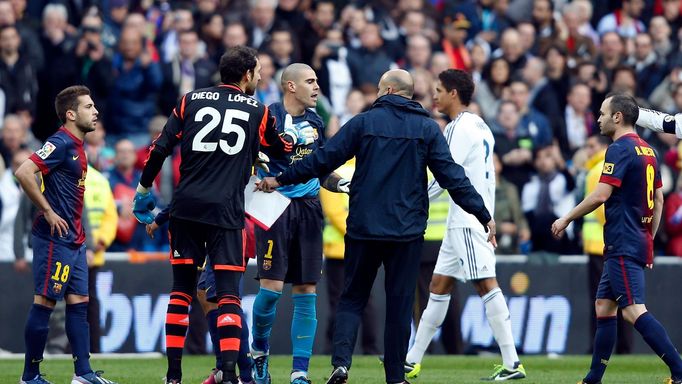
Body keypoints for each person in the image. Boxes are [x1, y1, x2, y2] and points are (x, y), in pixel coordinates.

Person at [257, 69, 496, 384]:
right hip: (407, 233)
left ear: (386, 91)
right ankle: (395, 377)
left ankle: (341, 364)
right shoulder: (427, 128)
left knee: (352, 298)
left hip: (363, 228)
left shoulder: (363, 123)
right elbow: (453, 177)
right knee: (398, 305)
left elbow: (322, 160)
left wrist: (280, 178)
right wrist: (483, 214)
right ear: (409, 95)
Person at [131, 46, 294, 384]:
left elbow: (160, 147)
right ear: (247, 75)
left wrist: (144, 189)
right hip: (226, 214)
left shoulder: (188, 100)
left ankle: (173, 376)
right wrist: (287, 140)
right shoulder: (258, 110)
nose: (261, 76)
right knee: (230, 296)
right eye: (259, 71)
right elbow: (282, 150)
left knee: (181, 292)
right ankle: (231, 376)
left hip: (186, 209)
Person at [551, 93, 682, 384]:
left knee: (634, 311)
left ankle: (680, 370)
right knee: (605, 307)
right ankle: (593, 379)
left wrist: (566, 218)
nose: (598, 119)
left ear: (618, 117)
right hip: (632, 239)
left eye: (602, 113)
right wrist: (648, 238)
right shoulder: (649, 151)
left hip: (622, 240)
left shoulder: (619, 148)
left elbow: (601, 195)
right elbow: (658, 199)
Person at [404, 69, 525, 381]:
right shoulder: (481, 125)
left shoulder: (458, 128)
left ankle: (512, 363)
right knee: (438, 286)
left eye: (438, 90)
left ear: (453, 93)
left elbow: (447, 175)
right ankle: (412, 359)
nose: (434, 96)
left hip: (467, 219)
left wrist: (411, 198)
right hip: (467, 217)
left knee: (486, 283)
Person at [249, 63, 348, 384]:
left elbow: (319, 169)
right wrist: (256, 177)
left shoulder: (316, 121)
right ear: (291, 86)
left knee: (306, 289)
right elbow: (246, 159)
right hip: (273, 209)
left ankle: (299, 373)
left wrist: (343, 184)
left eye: (317, 81)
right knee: (272, 289)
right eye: (310, 81)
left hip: (308, 208)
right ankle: (259, 354)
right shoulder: (266, 117)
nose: (317, 86)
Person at [14, 85, 117, 384]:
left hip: (75, 240)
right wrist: (47, 210)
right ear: (71, 114)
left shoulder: (78, 147)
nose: (95, 111)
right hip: (53, 239)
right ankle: (29, 375)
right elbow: (23, 172)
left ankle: (83, 374)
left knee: (80, 303)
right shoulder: (59, 142)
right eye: (88, 107)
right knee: (45, 303)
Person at [146, 208, 256, 384]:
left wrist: (160, 217)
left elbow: (194, 186)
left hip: (229, 223)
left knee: (228, 298)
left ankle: (246, 376)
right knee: (205, 293)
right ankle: (223, 368)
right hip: (225, 220)